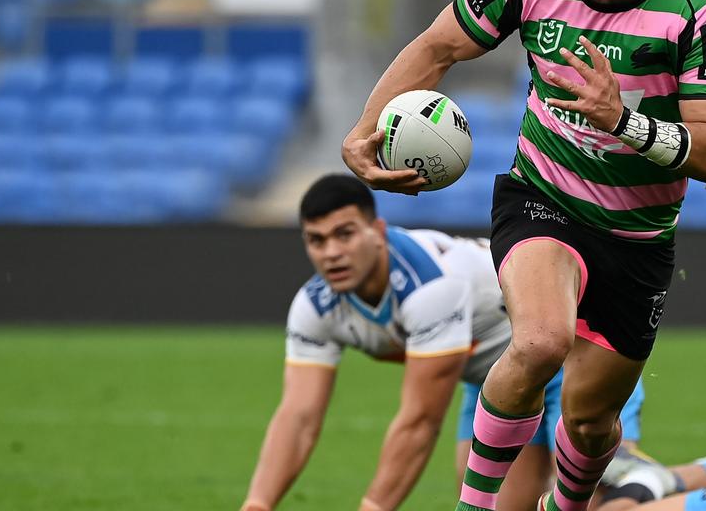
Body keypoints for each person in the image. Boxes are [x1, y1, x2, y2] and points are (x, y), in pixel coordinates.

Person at [341, 0, 706, 511]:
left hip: (638, 238)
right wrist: (366, 127)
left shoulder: (703, 12)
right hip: (544, 199)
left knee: (589, 425)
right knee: (539, 341)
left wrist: (624, 121)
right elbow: (438, 46)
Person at [240, 174, 646, 511]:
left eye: (344, 234)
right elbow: (298, 417)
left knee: (603, 505)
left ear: (377, 231)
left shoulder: (430, 284)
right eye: (317, 240)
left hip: (578, 357)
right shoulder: (314, 306)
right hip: (498, 386)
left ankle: (672, 481)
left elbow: (420, 422)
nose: (332, 253)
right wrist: (256, 505)